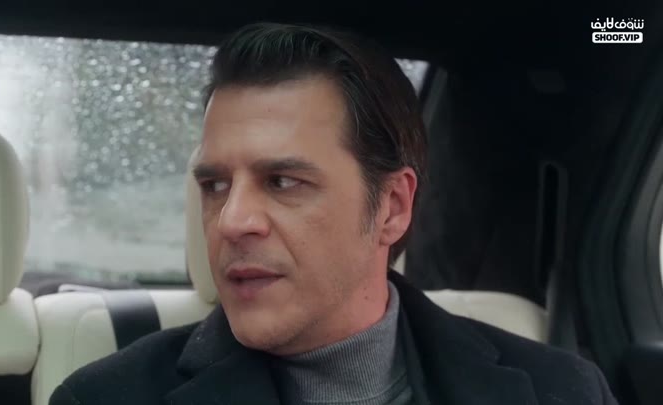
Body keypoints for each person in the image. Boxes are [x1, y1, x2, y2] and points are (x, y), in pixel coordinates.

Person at [50, 22, 618, 405]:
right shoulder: (105, 397)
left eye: (283, 182)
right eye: (215, 185)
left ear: (392, 207)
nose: (231, 221)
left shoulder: (562, 391)